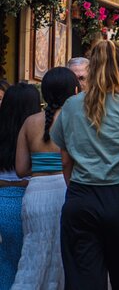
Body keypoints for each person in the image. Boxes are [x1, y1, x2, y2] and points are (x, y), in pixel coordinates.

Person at [52, 40, 119, 289]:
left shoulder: (71, 105)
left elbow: (65, 159)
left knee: (83, 279)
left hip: (81, 198)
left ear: (92, 67)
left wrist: (74, 187)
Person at [13, 68, 78, 289]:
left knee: (32, 254)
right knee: (63, 257)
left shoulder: (29, 122)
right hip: (65, 190)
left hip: (35, 194)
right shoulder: (76, 119)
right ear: (74, 91)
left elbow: (21, 169)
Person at [0, 83, 41, 289]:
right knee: (33, 264)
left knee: (7, 261)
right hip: (33, 201)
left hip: (3, 203)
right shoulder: (40, 133)